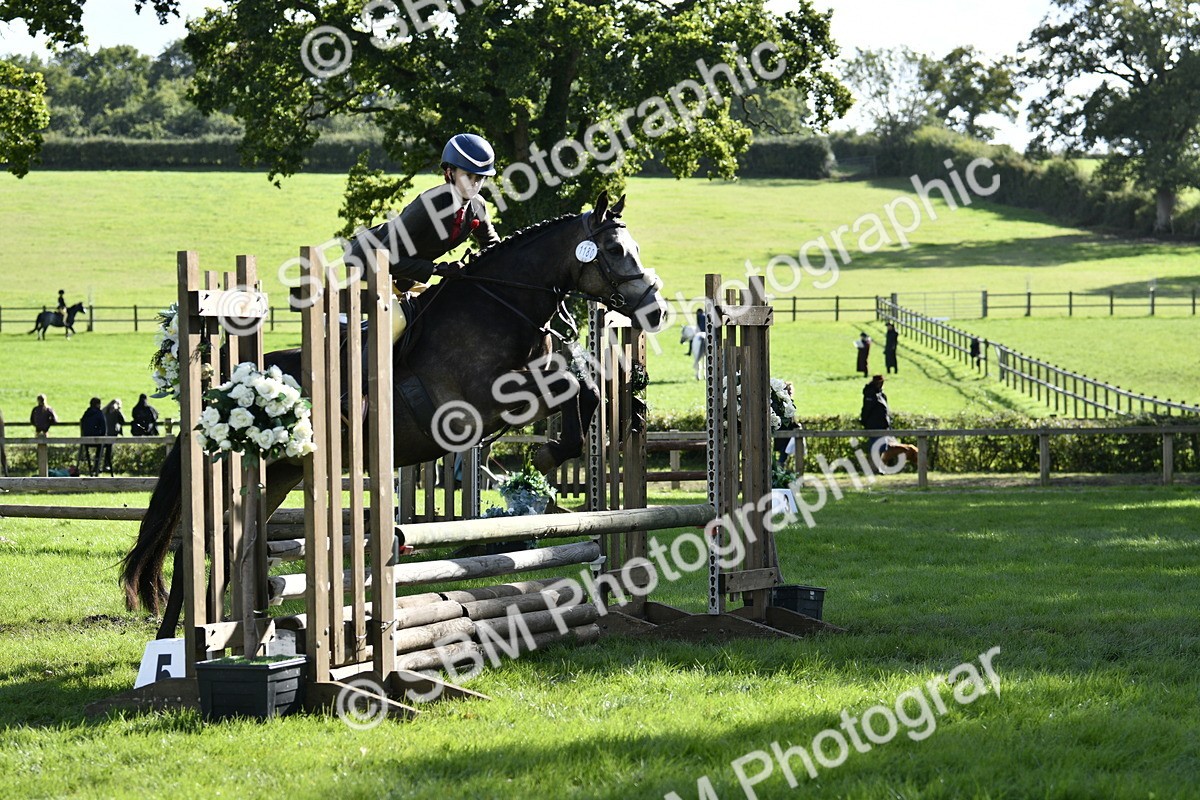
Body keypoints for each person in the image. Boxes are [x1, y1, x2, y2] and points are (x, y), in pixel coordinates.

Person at [344, 133, 502, 339]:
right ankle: (366, 370)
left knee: (440, 311)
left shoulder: (477, 206)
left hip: (403, 272)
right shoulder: (429, 204)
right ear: (449, 172)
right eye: (467, 176)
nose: (474, 184)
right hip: (368, 265)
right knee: (397, 323)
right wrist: (436, 269)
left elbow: (492, 245)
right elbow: (383, 257)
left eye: (479, 178)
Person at [860, 374, 891, 462]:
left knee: (882, 447)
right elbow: (867, 408)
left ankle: (877, 466)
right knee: (875, 447)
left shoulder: (882, 395)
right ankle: (872, 467)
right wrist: (865, 421)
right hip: (874, 424)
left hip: (882, 425)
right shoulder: (870, 394)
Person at [79, 397, 106, 476]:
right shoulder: (99, 413)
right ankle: (98, 465)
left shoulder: (86, 413)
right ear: (98, 404)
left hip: (86, 440)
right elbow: (103, 428)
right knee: (105, 445)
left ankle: (91, 467)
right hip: (97, 440)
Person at [102, 399, 126, 474]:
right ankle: (106, 465)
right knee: (108, 450)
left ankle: (104, 465)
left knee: (105, 450)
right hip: (110, 434)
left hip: (106, 434)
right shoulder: (114, 412)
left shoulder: (105, 411)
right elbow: (123, 420)